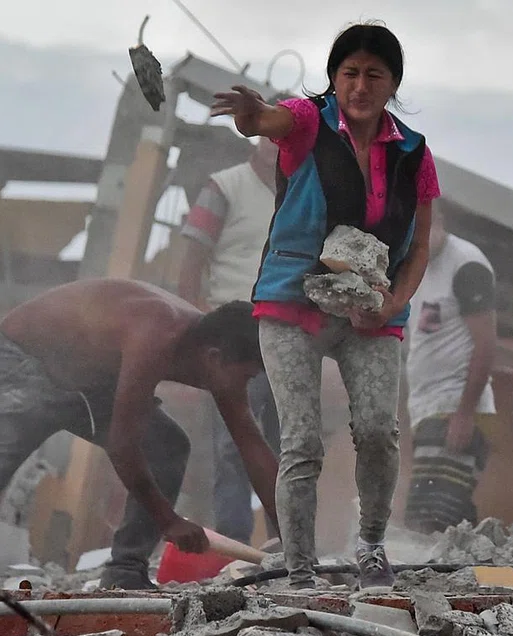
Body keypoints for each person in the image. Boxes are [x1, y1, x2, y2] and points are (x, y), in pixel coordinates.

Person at [210, 21, 440, 590]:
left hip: (370, 312)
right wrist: (250, 116)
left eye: (373, 75)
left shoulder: (414, 153)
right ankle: (302, 567)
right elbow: (269, 120)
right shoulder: (310, 121)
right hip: (292, 301)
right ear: (335, 79)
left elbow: (418, 250)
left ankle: (370, 547)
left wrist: (392, 305)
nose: (360, 85)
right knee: (303, 440)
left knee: (379, 433)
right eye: (349, 73)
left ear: (393, 85)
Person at [0, 279, 279, 590]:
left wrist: (289, 540)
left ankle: (125, 570)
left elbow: (253, 448)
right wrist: (168, 521)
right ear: (215, 357)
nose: (245, 387)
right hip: (24, 362)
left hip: (90, 383)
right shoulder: (156, 332)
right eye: (247, 377)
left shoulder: (219, 357)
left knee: (167, 447)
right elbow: (122, 444)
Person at [177, 139, 282, 545]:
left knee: (288, 444)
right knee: (234, 443)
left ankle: (286, 543)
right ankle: (235, 544)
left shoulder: (300, 191)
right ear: (258, 139)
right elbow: (190, 264)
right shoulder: (224, 188)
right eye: (272, 135)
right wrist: (193, 334)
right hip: (237, 337)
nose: (279, 145)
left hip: (287, 335)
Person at [404, 202, 497, 533]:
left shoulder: (467, 265)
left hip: (456, 408)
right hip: (428, 410)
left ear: (438, 219)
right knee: (447, 516)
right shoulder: (418, 267)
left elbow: (486, 345)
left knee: (429, 517)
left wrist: (465, 414)